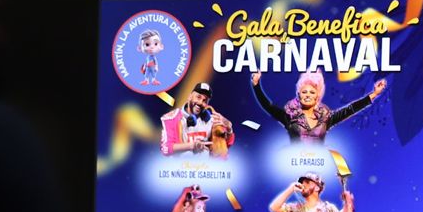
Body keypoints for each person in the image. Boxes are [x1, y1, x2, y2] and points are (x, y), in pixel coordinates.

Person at [252, 69, 387, 141]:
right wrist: (256, 86)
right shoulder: (289, 116)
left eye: (312, 92)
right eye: (304, 92)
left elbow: (350, 110)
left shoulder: (326, 118)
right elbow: (268, 106)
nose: (308, 94)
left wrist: (374, 94)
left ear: (317, 97)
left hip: (318, 169)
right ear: (299, 96)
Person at [159, 81, 234, 156]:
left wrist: (229, 129)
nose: (200, 102)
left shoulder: (212, 121)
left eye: (205, 100)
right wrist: (192, 146)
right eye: (198, 97)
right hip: (180, 166)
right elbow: (165, 149)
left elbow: (223, 148)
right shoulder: (172, 118)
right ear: (190, 96)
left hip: (206, 166)